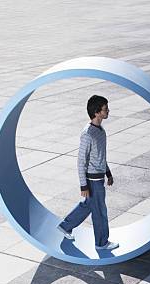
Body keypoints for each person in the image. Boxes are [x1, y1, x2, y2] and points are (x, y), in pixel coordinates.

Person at [58, 95, 119, 250]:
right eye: (105, 109)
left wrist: (108, 173)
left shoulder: (100, 130)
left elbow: (100, 156)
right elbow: (81, 161)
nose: (108, 111)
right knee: (99, 211)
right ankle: (101, 243)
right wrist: (83, 185)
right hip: (92, 180)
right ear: (97, 112)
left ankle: (65, 226)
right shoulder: (88, 133)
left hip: (98, 177)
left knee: (88, 206)